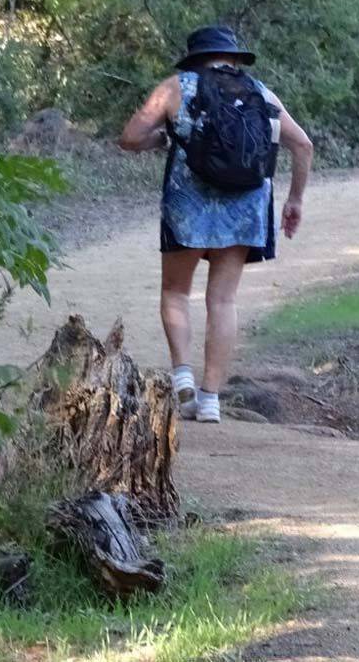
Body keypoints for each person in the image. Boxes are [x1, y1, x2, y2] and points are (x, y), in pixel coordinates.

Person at [119, 25, 313, 423]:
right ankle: (210, 400)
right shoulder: (261, 91)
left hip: (187, 204)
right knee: (223, 301)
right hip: (245, 205)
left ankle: (183, 379)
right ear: (232, 58)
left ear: (196, 57)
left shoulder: (176, 87)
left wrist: (167, 140)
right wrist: (295, 199)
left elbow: (131, 137)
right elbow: (303, 145)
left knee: (175, 292)